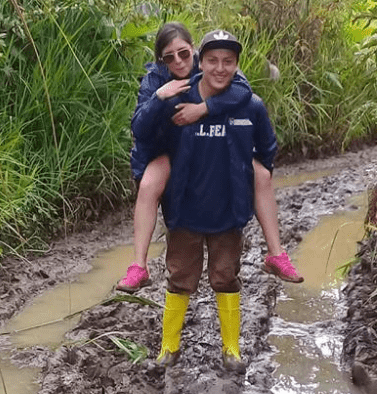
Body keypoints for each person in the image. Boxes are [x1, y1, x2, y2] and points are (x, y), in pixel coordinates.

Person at [117, 22, 302, 293]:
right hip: (167, 149)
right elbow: (140, 128)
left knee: (261, 174)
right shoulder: (156, 80)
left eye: (183, 53)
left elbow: (243, 92)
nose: (178, 61)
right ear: (161, 60)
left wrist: (204, 108)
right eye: (169, 57)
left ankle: (276, 253)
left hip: (209, 146)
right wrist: (159, 97)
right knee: (148, 186)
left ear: (194, 52)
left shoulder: (216, 65)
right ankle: (139, 266)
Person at [136, 29, 276, 372]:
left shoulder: (246, 101)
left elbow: (267, 147)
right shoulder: (174, 100)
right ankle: (168, 348)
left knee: (226, 276)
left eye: (228, 61)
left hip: (229, 210)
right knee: (180, 276)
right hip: (185, 208)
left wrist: (252, 173)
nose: (220, 67)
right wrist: (158, 101)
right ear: (204, 59)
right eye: (213, 60)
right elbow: (144, 132)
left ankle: (232, 349)